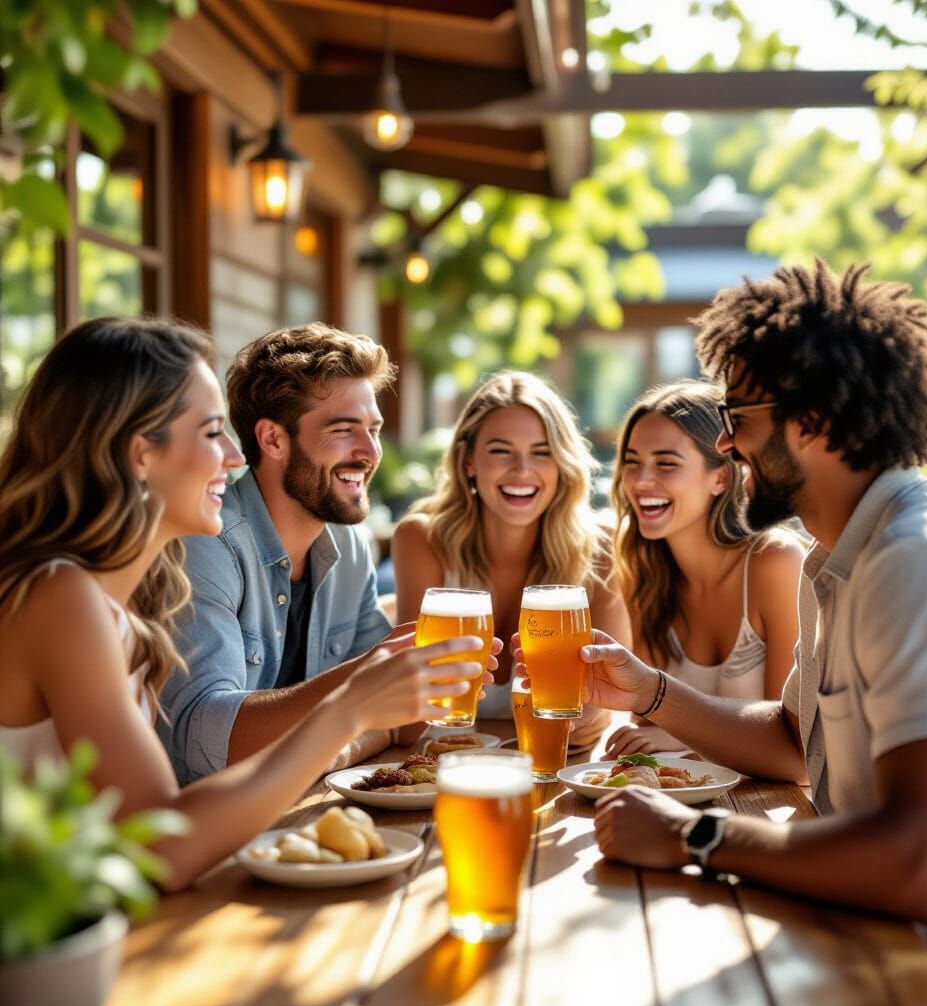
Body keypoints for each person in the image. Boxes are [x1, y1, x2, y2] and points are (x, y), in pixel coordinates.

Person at [532, 261, 927, 1006]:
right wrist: (651, 692)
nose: (726, 444)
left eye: (739, 418)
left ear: (813, 422)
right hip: (850, 928)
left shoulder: (919, 564)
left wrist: (695, 834)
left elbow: (926, 866)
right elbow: (798, 743)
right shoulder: (838, 556)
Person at [0, 317, 488, 889]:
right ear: (140, 455)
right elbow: (162, 847)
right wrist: (348, 709)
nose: (235, 457)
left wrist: (367, 702)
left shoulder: (124, 601)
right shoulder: (63, 598)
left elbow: (156, 827)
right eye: (212, 433)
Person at [160, 323, 422, 784]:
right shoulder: (206, 545)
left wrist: (343, 743)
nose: (369, 451)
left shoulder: (349, 545)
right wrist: (359, 685)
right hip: (206, 838)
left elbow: (394, 721)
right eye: (344, 430)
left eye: (373, 429)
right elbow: (204, 739)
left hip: (301, 818)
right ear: (273, 440)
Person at [392, 371, 630, 746]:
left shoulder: (600, 549)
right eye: (501, 451)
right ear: (468, 461)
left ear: (563, 465)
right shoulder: (422, 539)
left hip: (553, 776)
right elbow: (409, 721)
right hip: (442, 772)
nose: (522, 470)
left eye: (542, 453)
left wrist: (589, 720)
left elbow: (599, 712)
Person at [604, 380, 802, 758]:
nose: (641, 480)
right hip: (677, 797)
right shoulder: (643, 572)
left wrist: (680, 735)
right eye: (632, 462)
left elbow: (792, 735)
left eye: (666, 463)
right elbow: (644, 728)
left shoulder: (775, 563)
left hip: (768, 807)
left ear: (721, 477)